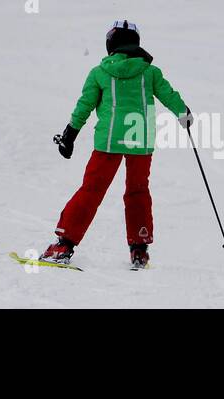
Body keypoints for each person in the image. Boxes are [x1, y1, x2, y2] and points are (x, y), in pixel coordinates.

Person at [41, 20, 191, 269]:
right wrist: (184, 113)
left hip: (108, 142)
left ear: (111, 43)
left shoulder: (99, 73)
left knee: (91, 190)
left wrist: (70, 134)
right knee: (138, 191)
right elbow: (168, 95)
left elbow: (84, 106)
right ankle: (139, 250)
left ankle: (64, 244)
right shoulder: (150, 72)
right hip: (140, 141)